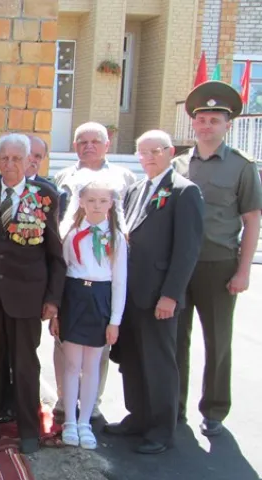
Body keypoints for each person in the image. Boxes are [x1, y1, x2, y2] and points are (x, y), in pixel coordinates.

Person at [0, 134, 65, 454]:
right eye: (3, 158)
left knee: (24, 366)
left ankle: (29, 432)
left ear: (28, 161)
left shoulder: (45, 194)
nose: (9, 164)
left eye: (16, 159)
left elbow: (55, 255)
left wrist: (53, 299)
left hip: (27, 296)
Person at [103, 130, 204, 454]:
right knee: (131, 360)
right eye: (141, 152)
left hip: (159, 295)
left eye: (154, 151)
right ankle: (138, 416)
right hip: (130, 294)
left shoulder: (184, 192)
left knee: (159, 363)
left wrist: (171, 295)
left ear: (170, 152)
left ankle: (162, 428)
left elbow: (187, 250)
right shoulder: (134, 189)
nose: (147, 157)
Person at [171, 81, 262, 436]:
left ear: (227, 125)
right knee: (176, 338)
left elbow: (252, 220)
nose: (207, 126)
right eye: (202, 119)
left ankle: (214, 410)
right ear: (193, 123)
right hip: (180, 266)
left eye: (214, 120)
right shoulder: (178, 164)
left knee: (217, 340)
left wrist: (243, 271)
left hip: (219, 264)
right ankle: (173, 405)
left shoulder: (242, 167)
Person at [50, 122, 136, 420]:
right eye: (81, 141)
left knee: (97, 351)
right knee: (65, 347)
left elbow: (127, 219)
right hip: (73, 269)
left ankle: (92, 403)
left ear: (107, 144)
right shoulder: (63, 177)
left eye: (94, 141)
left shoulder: (123, 177)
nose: (88, 146)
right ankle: (64, 400)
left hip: (104, 270)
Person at [51, 173, 128, 450]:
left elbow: (120, 283)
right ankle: (69, 420)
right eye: (91, 200)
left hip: (100, 300)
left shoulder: (117, 238)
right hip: (74, 298)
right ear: (81, 202)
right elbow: (62, 274)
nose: (97, 205)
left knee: (92, 364)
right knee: (71, 365)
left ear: (111, 204)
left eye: (103, 201)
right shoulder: (71, 235)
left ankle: (85, 421)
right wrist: (57, 312)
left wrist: (115, 321)